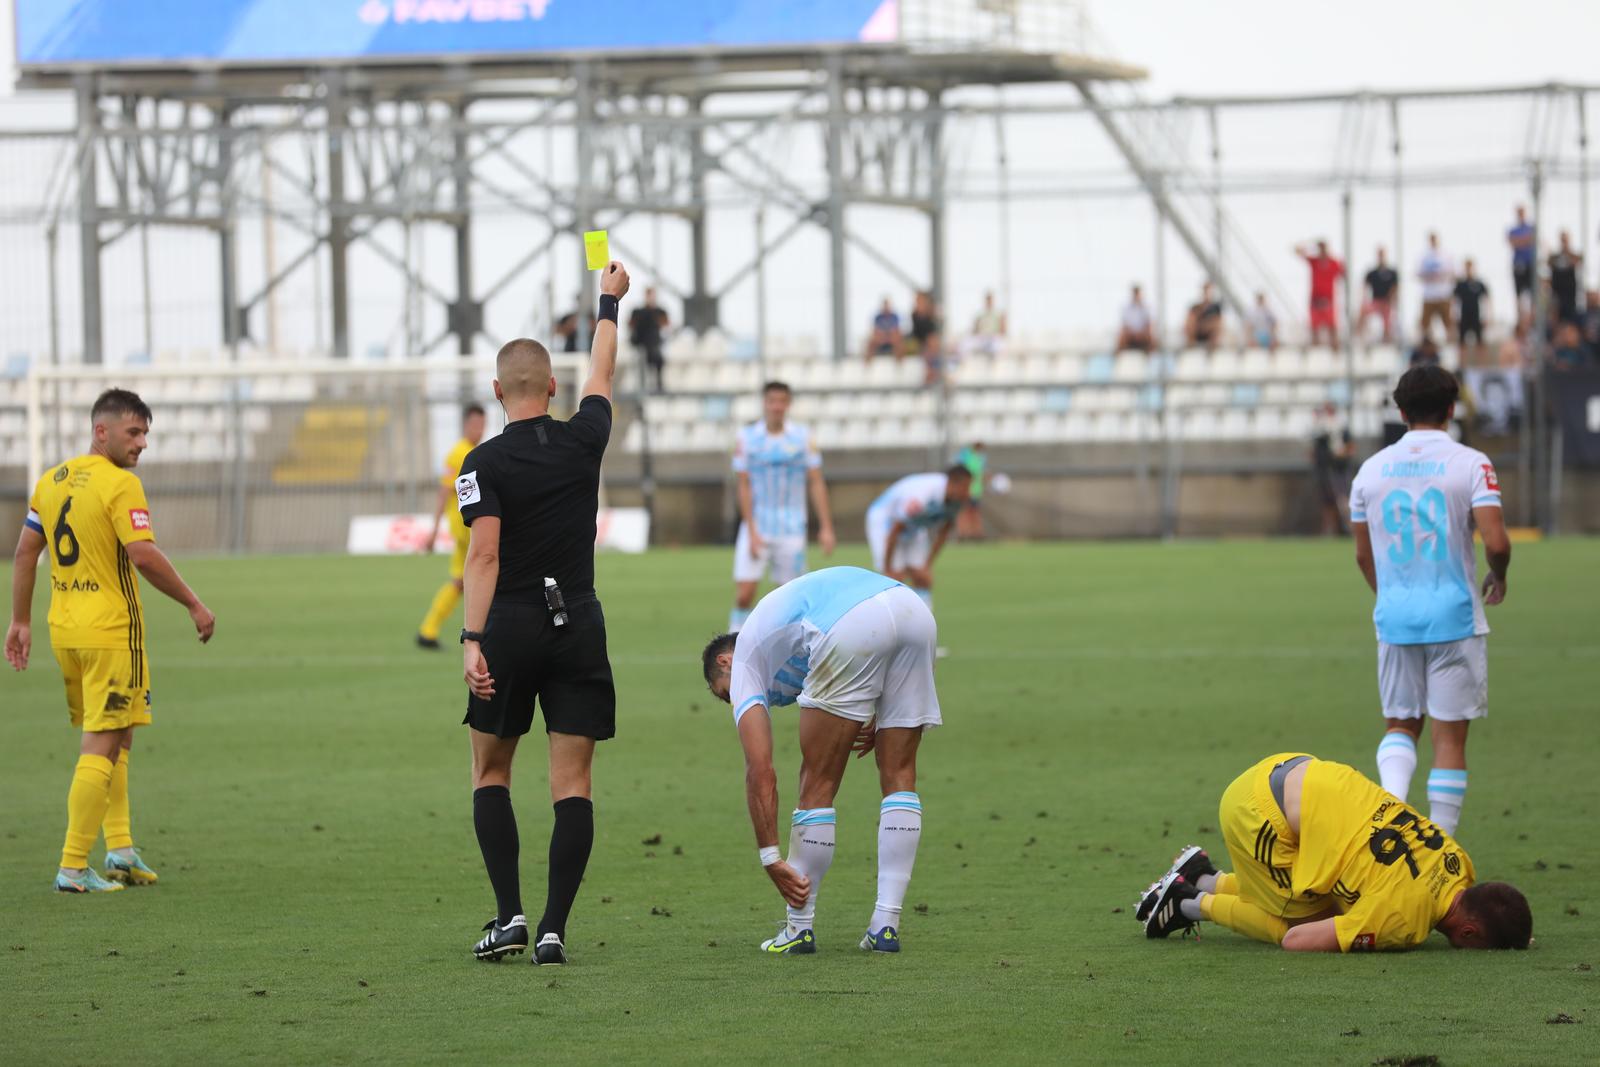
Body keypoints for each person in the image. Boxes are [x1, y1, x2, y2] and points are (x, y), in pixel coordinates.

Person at [457, 260, 631, 964]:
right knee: (574, 784)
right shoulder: (584, 437)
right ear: (551, 387)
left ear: (498, 391)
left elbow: (484, 557)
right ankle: (556, 926)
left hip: (513, 625)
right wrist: (608, 303)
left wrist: (472, 638)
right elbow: (604, 374)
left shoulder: (483, 461)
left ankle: (510, 916)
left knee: (491, 773)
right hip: (579, 622)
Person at [6, 389, 217, 893]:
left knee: (118, 733)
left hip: (66, 629)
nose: (142, 443)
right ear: (102, 431)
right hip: (111, 634)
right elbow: (142, 555)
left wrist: (20, 621)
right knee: (101, 745)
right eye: (134, 432)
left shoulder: (51, 481)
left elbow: (22, 554)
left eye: (145, 433)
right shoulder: (120, 485)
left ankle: (120, 849)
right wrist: (193, 602)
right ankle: (73, 867)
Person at [699, 566, 942, 954]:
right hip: (913, 613)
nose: (733, 701)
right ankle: (886, 926)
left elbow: (760, 769)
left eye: (724, 694)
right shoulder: (783, 640)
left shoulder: (743, 660)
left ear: (725, 663)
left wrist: (770, 857)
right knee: (899, 774)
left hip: (851, 623)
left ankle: (799, 929)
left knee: (816, 784)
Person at [1136, 753, 1532, 952]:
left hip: (1295, 767)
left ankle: (1204, 875)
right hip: (1256, 812)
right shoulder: (1402, 923)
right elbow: (1297, 941)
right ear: (1468, 933)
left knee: (1330, 899)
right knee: (1291, 924)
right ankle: (1188, 901)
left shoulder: (1458, 861)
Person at [1349, 365, 1511, 837]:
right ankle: (1440, 848)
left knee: (1400, 724)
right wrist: (1497, 576)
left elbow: (1363, 555)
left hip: (1396, 616)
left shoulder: (1370, 471)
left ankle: (1391, 820)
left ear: (1400, 412)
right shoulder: (1471, 463)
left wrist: (1393, 597)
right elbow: (1497, 543)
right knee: (1449, 737)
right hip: (1454, 617)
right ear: (1451, 408)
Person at [728, 381, 837, 633]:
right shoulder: (747, 438)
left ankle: (786, 653)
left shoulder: (802, 438)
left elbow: (816, 481)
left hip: (791, 528)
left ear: (788, 404)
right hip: (757, 525)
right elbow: (743, 485)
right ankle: (735, 647)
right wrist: (751, 530)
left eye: (781, 401)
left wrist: (826, 527)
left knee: (789, 597)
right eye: (772, 401)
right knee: (745, 593)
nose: (776, 406)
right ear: (764, 403)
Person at [417, 403, 488, 649]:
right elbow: (444, 493)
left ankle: (428, 630)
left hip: (468, 527)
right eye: (476, 424)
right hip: (465, 529)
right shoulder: (459, 454)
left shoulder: (472, 451)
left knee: (460, 581)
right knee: (485, 573)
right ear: (466, 425)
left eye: (483, 424)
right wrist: (434, 530)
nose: (480, 429)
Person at [864, 467, 972, 613]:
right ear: (953, 484)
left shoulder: (958, 500)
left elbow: (944, 531)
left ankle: (924, 623)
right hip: (885, 521)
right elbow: (896, 529)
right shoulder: (922, 496)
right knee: (894, 578)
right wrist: (887, 568)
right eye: (965, 487)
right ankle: (891, 623)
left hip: (915, 525)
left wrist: (927, 565)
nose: (968, 492)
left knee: (922, 577)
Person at [1309, 403, 1353, 536]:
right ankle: (1332, 529)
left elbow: (1350, 447)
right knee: (1327, 501)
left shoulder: (1340, 427)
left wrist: (1341, 454)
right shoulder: (1321, 429)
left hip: (1338, 468)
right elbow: (1314, 450)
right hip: (1326, 469)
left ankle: (1351, 528)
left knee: (1342, 499)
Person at [1295, 240, 1345, 346]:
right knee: (1314, 329)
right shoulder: (1314, 261)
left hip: (1329, 301)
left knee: (1332, 328)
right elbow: (1297, 251)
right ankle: (1315, 351)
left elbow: (1344, 273)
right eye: (1320, 248)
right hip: (1315, 300)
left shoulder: (1334, 263)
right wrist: (1311, 246)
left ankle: (1336, 354)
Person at [628, 287, 670, 393]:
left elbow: (666, 324)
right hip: (641, 345)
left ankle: (657, 385)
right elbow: (631, 324)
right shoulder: (639, 311)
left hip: (654, 344)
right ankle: (643, 386)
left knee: (658, 361)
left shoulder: (658, 311)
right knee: (642, 364)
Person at [1416, 232, 1455, 343]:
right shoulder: (1424, 256)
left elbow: (1452, 273)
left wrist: (1440, 276)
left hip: (1443, 295)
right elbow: (1419, 274)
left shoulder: (1446, 255)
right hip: (1429, 295)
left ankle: (1450, 343)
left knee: (1448, 323)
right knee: (1424, 324)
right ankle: (1426, 345)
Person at [1453, 259, 1491, 367]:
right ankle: (1462, 366)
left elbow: (1486, 300)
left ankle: (1482, 366)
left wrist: (1487, 316)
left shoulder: (1479, 284)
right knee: (1461, 342)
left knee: (1480, 342)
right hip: (1464, 316)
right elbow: (1455, 301)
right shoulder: (1460, 284)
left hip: (1476, 316)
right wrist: (1455, 316)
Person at [1361, 246, 1399, 343]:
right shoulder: (1372, 272)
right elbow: (1364, 285)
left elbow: (1395, 287)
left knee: (1387, 322)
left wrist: (1392, 299)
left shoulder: (1392, 272)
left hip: (1386, 302)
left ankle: (1386, 339)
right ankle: (1361, 335)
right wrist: (1363, 299)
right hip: (1376, 301)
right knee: (1363, 312)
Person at [1548, 231, 1583, 325]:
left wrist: (1567, 251)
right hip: (1557, 293)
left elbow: (1578, 261)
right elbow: (1550, 262)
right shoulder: (1555, 256)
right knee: (1556, 318)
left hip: (1570, 294)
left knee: (1570, 318)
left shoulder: (1572, 255)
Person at [908, 291, 944, 384]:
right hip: (920, 341)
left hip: (929, 341)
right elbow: (918, 332)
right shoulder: (915, 315)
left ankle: (934, 370)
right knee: (930, 345)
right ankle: (931, 371)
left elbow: (934, 330)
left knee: (932, 344)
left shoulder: (932, 314)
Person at [954, 442, 987, 541]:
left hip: (976, 490)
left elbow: (982, 473)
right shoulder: (965, 455)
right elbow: (959, 469)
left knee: (974, 512)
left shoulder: (982, 458)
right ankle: (963, 534)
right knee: (963, 511)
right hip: (964, 490)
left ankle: (977, 534)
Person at [1507, 205, 1536, 312]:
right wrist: (1526, 240)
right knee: (1518, 294)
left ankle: (1533, 317)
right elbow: (1513, 242)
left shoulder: (1531, 227)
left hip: (1530, 264)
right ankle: (1520, 319)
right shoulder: (1513, 230)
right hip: (1518, 265)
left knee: (1533, 293)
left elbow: (1532, 240)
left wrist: (1521, 241)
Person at [964, 290, 1007, 357]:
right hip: (982, 338)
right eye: (987, 300)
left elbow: (1003, 330)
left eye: (990, 300)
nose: (989, 302)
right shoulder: (980, 314)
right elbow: (975, 329)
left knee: (1000, 346)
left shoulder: (998, 314)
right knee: (966, 344)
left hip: (994, 338)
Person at [1184, 282, 1223, 351]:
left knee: (1215, 325)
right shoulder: (1196, 307)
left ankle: (1211, 350)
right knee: (1191, 321)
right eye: (1205, 291)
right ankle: (1192, 348)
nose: (1207, 294)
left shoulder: (1216, 308)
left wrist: (1205, 325)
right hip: (1197, 332)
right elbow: (1190, 324)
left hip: (1209, 334)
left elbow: (1217, 323)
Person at [1116, 285, 1154, 352]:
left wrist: (1141, 333)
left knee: (1151, 336)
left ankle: (1150, 357)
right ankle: (1120, 356)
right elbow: (1125, 325)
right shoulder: (1126, 308)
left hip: (1143, 333)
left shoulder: (1146, 307)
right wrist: (1133, 334)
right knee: (1121, 337)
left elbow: (1149, 323)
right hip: (1130, 334)